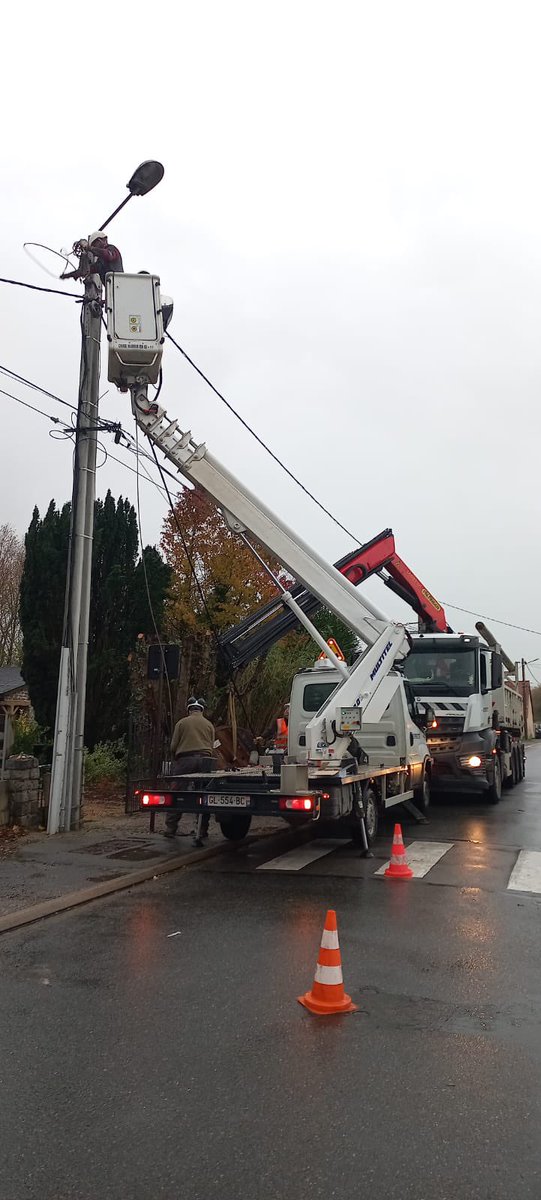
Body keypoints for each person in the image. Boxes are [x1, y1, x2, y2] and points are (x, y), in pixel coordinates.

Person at [164, 697, 215, 839]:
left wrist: (176, 757)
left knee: (177, 792)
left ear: (189, 709)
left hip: (185, 760)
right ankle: (202, 829)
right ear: (202, 710)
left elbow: (173, 746)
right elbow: (211, 746)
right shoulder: (209, 725)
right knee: (203, 794)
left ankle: (171, 828)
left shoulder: (181, 723)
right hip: (205, 760)